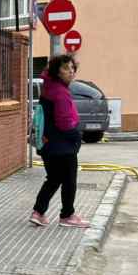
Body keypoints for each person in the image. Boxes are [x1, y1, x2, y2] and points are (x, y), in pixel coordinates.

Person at [30, 55, 91, 228]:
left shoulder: (49, 88)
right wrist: (76, 137)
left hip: (47, 144)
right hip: (62, 145)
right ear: (57, 71)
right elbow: (64, 121)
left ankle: (38, 212)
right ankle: (67, 215)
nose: (70, 71)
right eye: (65, 68)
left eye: (72, 68)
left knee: (53, 178)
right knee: (69, 180)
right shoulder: (60, 92)